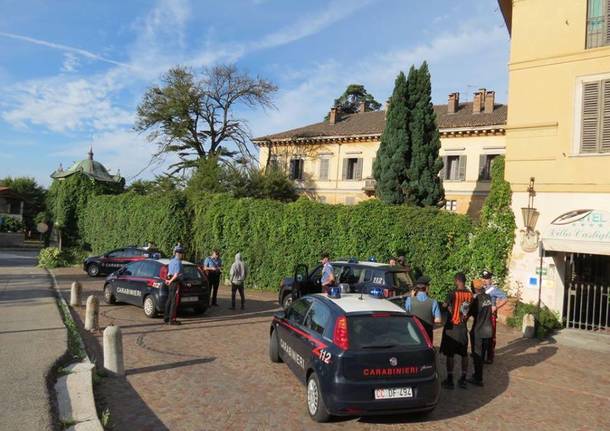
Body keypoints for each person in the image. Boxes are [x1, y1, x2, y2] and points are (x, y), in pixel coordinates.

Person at [440, 272, 473, 389]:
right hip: (463, 327)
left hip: (452, 328)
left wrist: (449, 308)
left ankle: (450, 379)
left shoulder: (452, 293)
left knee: (450, 354)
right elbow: (469, 311)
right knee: (464, 354)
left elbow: (444, 305)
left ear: (457, 281)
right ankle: (463, 378)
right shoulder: (470, 295)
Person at [468, 279, 493, 386]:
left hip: (478, 330)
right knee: (482, 354)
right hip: (488, 329)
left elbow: (468, 313)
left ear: (474, 288)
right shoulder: (488, 297)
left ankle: (478, 378)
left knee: (477, 355)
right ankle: (478, 375)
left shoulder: (476, 300)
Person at [481, 270, 507, 364]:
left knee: (491, 336)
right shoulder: (481, 288)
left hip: (490, 316)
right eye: (484, 278)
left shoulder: (494, 289)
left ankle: (490, 356)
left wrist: (496, 307)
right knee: (481, 335)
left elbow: (505, 298)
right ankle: (481, 354)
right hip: (482, 316)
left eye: (487, 278)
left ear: (490, 279)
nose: (485, 280)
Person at [404, 276, 442, 342]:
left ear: (416, 289)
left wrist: (412, 297)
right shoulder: (433, 302)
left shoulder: (409, 300)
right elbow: (438, 320)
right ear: (426, 288)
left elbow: (407, 314)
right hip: (427, 334)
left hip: (413, 334)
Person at [164, 245, 184, 325]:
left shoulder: (171, 261)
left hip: (171, 281)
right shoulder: (178, 262)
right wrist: (171, 281)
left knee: (169, 299)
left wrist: (168, 280)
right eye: (182, 253)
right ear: (179, 254)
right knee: (174, 301)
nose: (182, 255)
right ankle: (172, 320)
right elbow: (176, 274)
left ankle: (166, 317)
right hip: (175, 282)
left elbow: (169, 273)